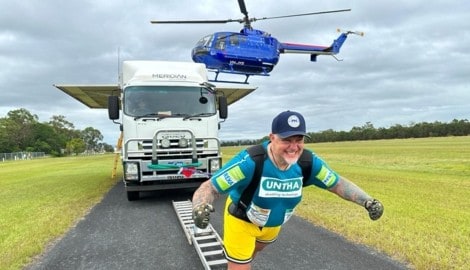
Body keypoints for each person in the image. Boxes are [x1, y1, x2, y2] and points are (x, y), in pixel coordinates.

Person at [192, 110, 384, 270]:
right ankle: (236, 257)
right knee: (240, 264)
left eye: (299, 139)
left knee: (252, 253)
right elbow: (210, 187)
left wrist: (367, 201)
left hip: (272, 226)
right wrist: (200, 207)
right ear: (272, 138)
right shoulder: (251, 162)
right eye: (286, 140)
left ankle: (239, 257)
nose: (293, 147)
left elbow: (336, 183)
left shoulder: (308, 162)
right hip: (241, 221)